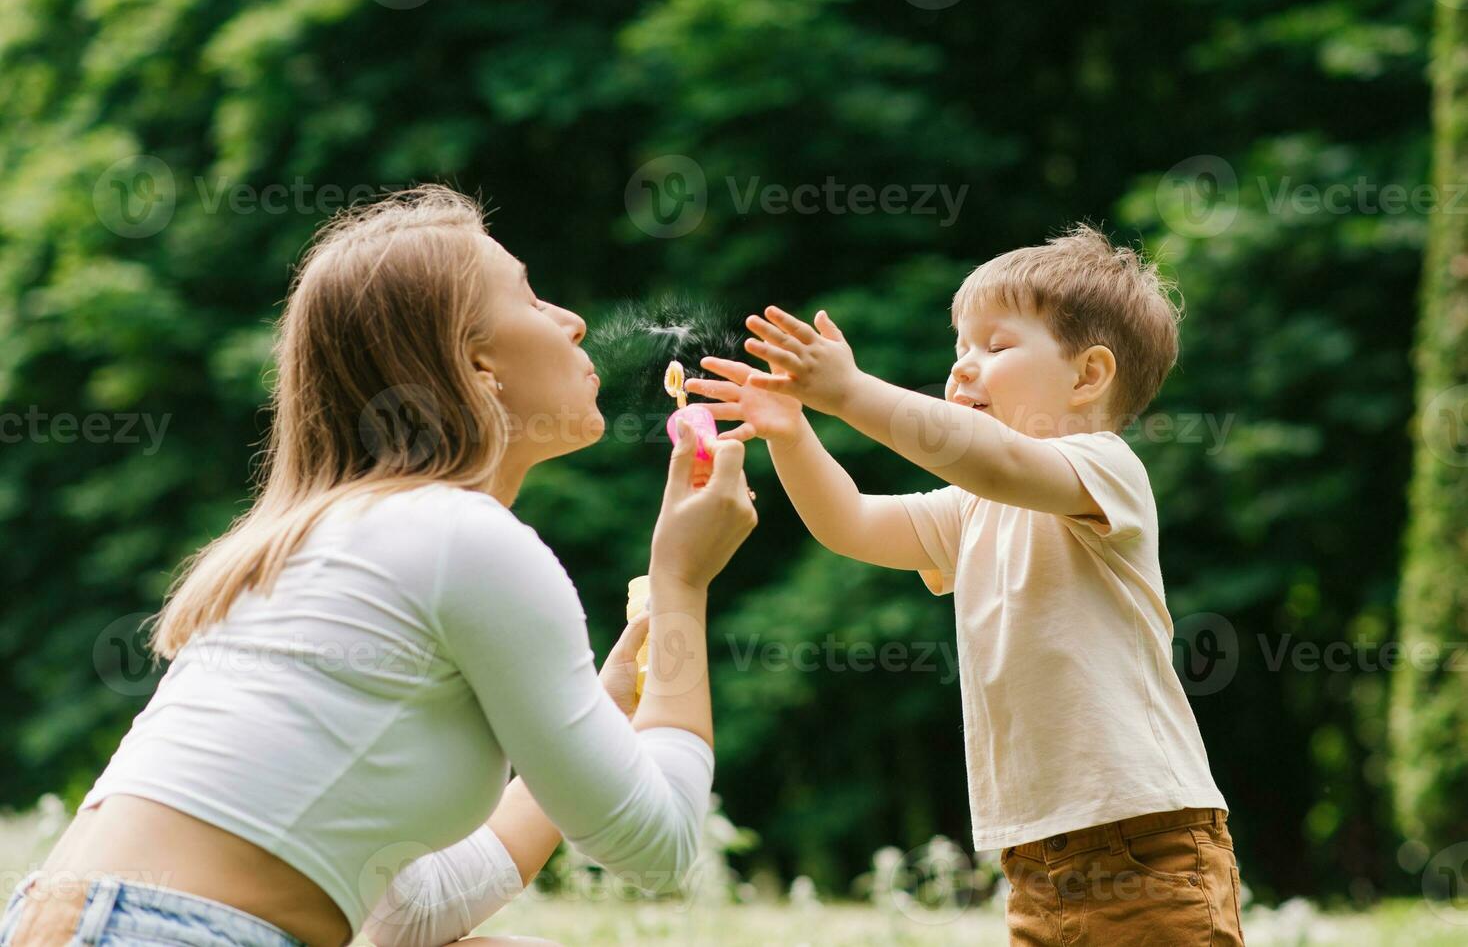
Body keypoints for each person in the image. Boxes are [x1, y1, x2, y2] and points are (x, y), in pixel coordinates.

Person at [0, 186, 757, 947]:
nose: (573, 321)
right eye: (531, 299)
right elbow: (662, 849)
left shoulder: (324, 545)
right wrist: (681, 584)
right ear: (476, 364)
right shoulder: (463, 538)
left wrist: (597, 718)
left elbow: (408, 913)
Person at [692, 226, 1244, 945]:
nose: (961, 368)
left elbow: (996, 461)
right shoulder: (975, 509)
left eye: (996, 346)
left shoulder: (1107, 469)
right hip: (1036, 860)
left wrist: (851, 392)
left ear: (1089, 376)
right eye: (959, 349)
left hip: (1146, 843)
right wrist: (792, 435)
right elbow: (851, 523)